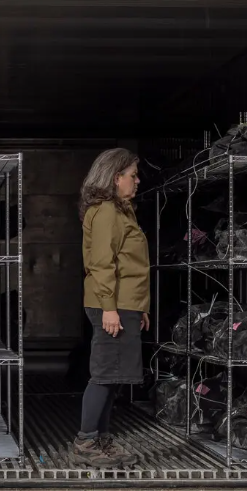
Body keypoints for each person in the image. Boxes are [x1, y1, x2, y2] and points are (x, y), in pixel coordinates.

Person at [71, 148, 150, 468]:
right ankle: (85, 442)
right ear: (116, 178)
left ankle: (102, 440)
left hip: (124, 304)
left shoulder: (123, 211)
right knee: (104, 375)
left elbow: (130, 264)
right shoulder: (105, 211)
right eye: (133, 175)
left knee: (114, 376)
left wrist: (139, 307)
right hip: (111, 304)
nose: (137, 180)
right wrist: (109, 309)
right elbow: (101, 264)